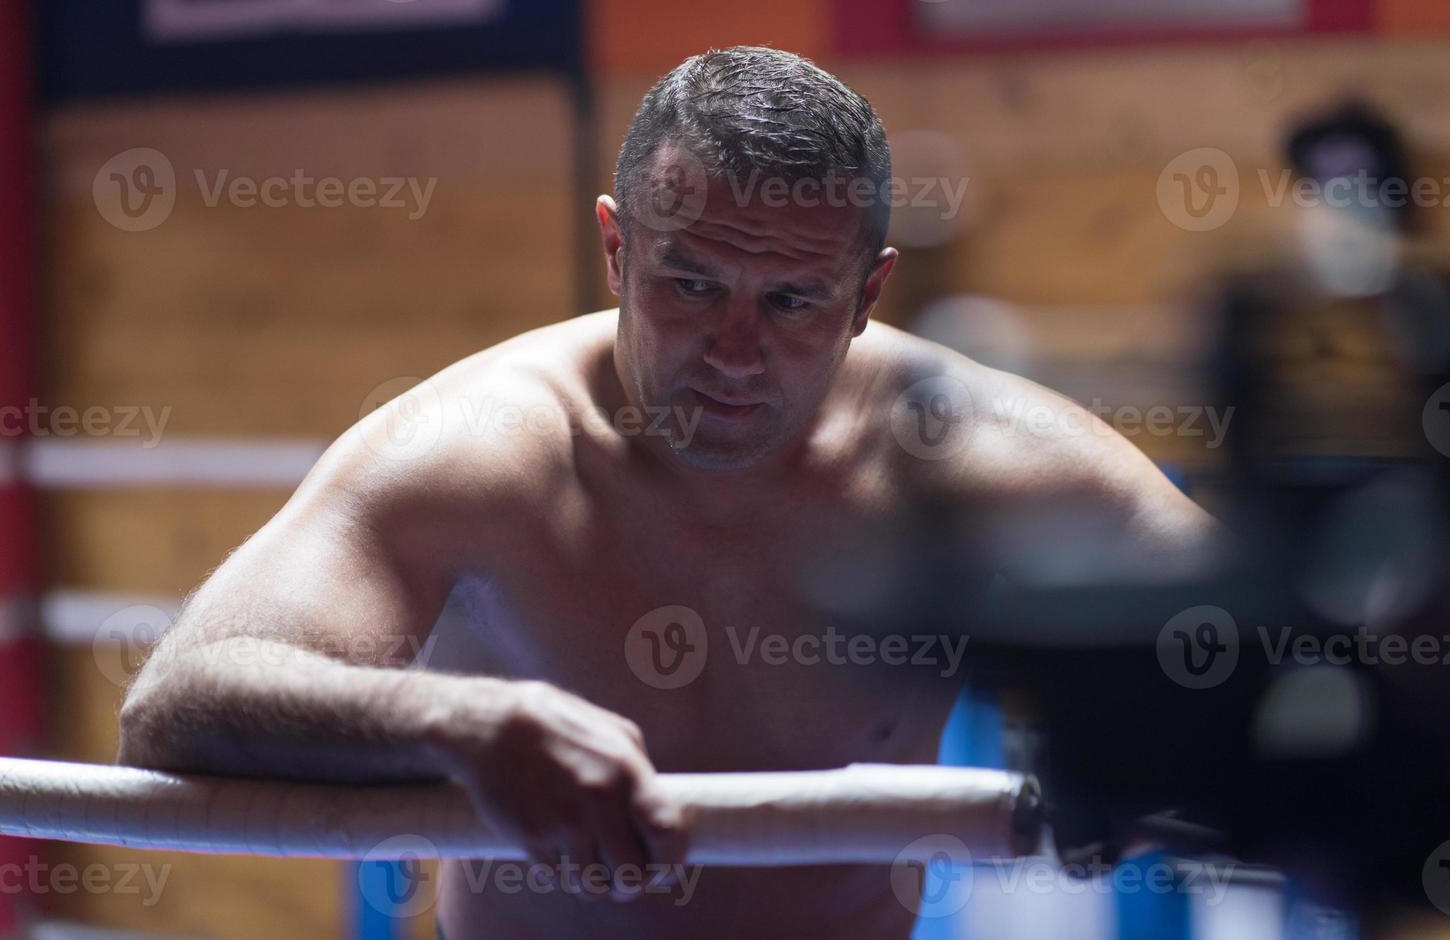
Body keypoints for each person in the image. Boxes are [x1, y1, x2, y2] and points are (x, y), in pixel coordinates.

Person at [118, 46, 1218, 939]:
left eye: (791, 300)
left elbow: (1266, 646)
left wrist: (1147, 743)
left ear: (867, 293)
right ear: (615, 247)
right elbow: (178, 698)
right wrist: (459, 721)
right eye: (690, 283)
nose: (734, 350)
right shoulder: (480, 448)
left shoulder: (967, 448)